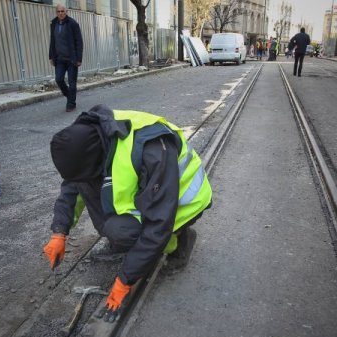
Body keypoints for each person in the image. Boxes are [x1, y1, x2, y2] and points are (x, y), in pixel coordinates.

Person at [43, 105, 213, 322]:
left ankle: (179, 243)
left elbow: (159, 221)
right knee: (110, 221)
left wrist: (125, 280)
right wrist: (60, 231)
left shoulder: (152, 147)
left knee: (125, 231)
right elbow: (72, 186)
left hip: (184, 203)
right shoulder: (90, 135)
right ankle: (132, 246)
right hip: (151, 198)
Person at [49, 4, 83, 112]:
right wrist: (51, 56)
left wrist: (79, 58)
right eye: (58, 11)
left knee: (72, 83)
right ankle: (70, 96)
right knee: (58, 79)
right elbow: (52, 41)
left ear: (66, 11)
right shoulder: (53, 23)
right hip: (59, 59)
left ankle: (71, 104)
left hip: (71, 59)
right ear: (56, 12)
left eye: (62, 11)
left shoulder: (73, 24)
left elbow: (79, 42)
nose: (60, 13)